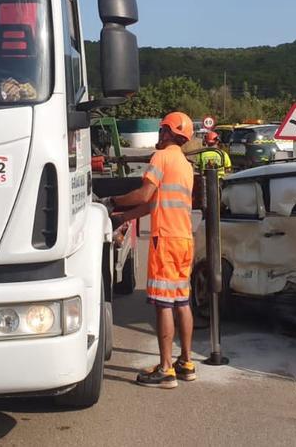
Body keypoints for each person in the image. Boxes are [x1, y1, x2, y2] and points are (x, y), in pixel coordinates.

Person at [109, 112, 197, 389]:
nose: (159, 135)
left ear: (168, 133)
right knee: (182, 301)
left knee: (163, 305)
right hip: (184, 239)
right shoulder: (184, 164)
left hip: (165, 240)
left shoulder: (161, 158)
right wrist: (124, 218)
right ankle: (186, 363)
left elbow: (144, 195)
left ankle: (166, 368)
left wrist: (113, 201)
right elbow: (151, 206)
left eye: (162, 130)